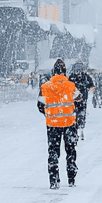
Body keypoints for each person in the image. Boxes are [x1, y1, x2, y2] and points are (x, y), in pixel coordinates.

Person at [38, 58, 84, 189]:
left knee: (53, 151)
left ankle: (54, 180)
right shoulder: (71, 86)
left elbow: (40, 105)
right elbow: (80, 102)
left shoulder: (45, 87)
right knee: (70, 150)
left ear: (53, 72)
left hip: (52, 124)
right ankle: (71, 177)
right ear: (65, 72)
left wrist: (49, 114)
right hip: (69, 123)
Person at [68, 61, 95, 139]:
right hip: (82, 98)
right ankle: (80, 126)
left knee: (75, 113)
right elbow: (91, 85)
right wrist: (91, 88)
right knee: (81, 112)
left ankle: (76, 126)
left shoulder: (72, 77)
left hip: (74, 99)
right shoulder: (85, 76)